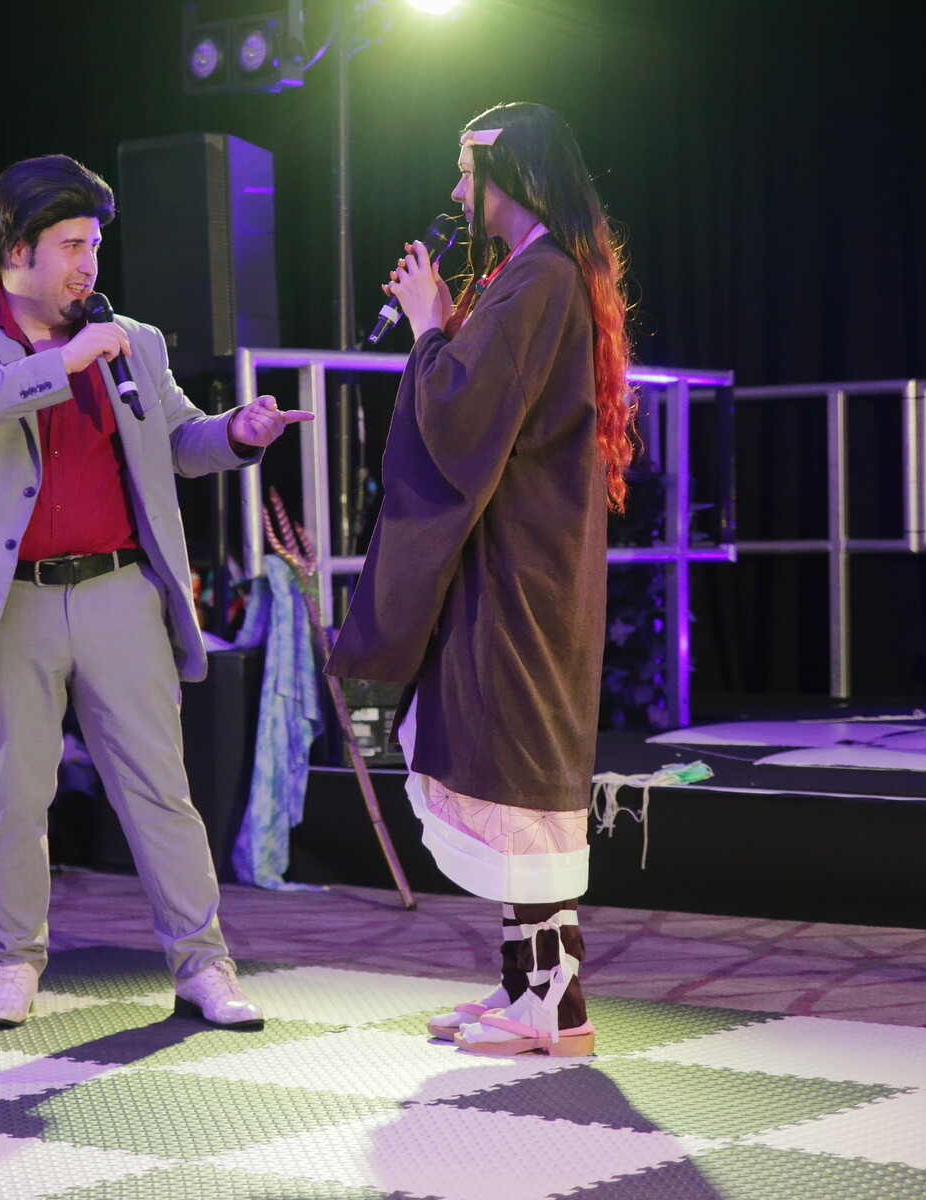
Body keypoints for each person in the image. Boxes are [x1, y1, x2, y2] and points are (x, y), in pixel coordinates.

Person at [0, 154, 310, 1030]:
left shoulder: (133, 339)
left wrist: (239, 433)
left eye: (94, 245)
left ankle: (203, 964)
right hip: (7, 596)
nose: (89, 265)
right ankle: (12, 962)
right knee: (12, 796)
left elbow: (177, 440)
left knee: (160, 789)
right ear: (18, 248)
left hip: (119, 590)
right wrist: (64, 363)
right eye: (72, 245)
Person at [327, 103, 636, 1058]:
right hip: (521, 555)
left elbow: (463, 417)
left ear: (514, 177)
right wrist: (452, 329)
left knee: (516, 761)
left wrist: (429, 330)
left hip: (518, 564)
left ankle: (555, 1003)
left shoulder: (540, 277)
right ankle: (524, 985)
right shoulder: (538, 273)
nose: (458, 193)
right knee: (503, 756)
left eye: (469, 174)